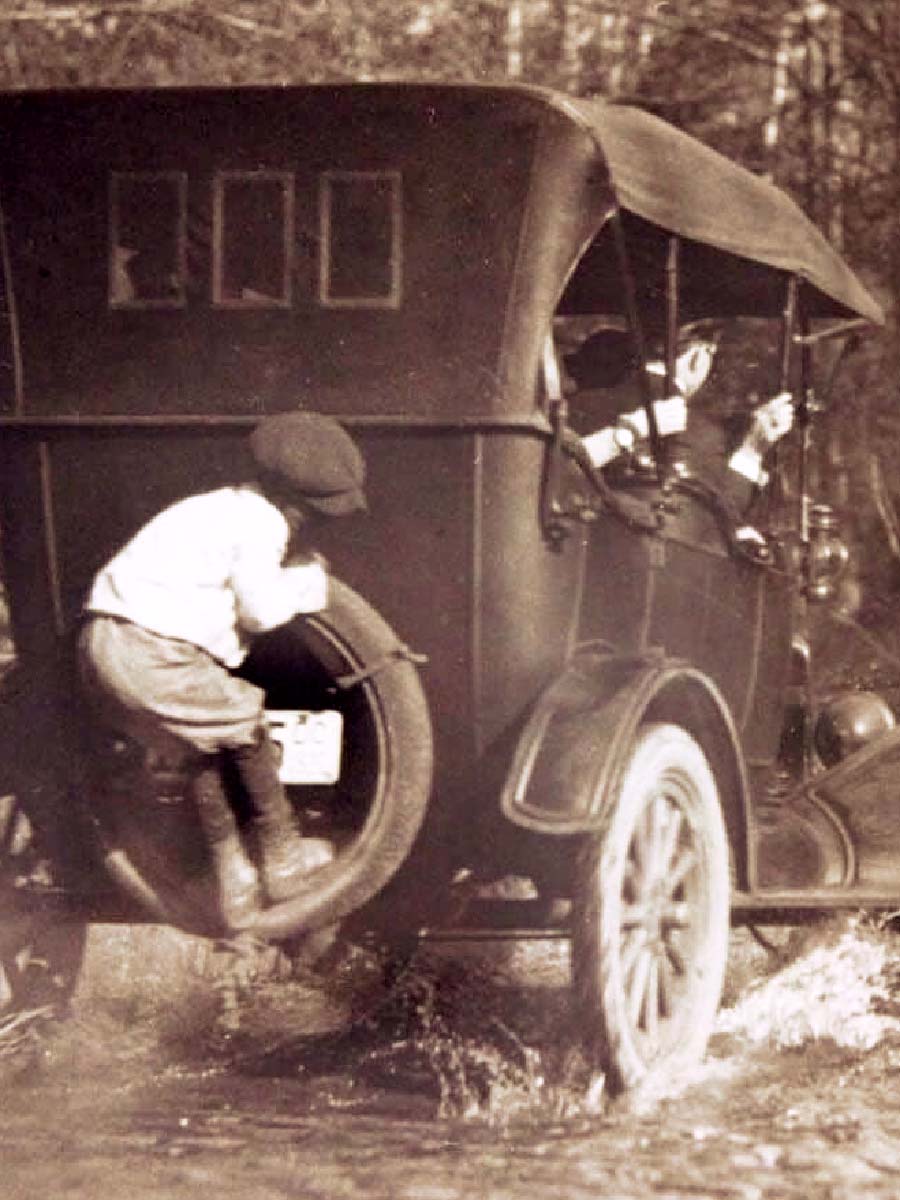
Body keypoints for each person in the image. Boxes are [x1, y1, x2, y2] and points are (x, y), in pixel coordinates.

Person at [77, 411, 367, 931]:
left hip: (104, 645)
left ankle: (235, 877)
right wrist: (309, 581)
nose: (306, 524)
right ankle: (283, 860)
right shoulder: (261, 523)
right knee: (246, 722)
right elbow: (262, 612)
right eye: (308, 514)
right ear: (287, 500)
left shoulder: (208, 509)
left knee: (202, 750)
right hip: (151, 651)